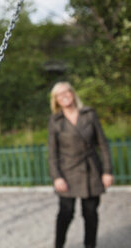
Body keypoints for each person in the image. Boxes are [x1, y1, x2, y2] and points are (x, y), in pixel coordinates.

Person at [48, 82, 113, 248]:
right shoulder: (56, 120)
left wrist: (107, 171)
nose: (64, 95)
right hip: (67, 172)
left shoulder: (89, 114)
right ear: (55, 100)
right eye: (59, 94)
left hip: (91, 170)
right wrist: (57, 177)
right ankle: (58, 245)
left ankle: (90, 245)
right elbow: (52, 152)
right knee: (66, 213)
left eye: (66, 92)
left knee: (90, 214)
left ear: (72, 93)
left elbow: (103, 144)